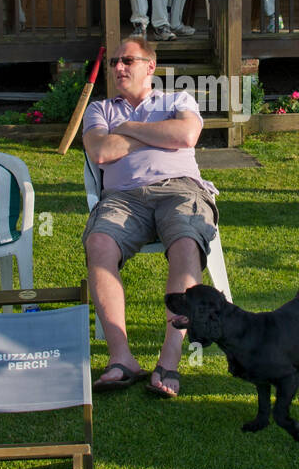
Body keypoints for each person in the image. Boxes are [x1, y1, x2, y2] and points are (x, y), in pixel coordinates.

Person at [82, 38, 219, 398]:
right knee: (99, 243)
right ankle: (122, 357)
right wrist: (160, 136)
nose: (118, 68)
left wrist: (127, 128)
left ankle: (169, 359)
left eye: (127, 60)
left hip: (181, 190)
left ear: (150, 66)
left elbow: (186, 134)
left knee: (186, 242)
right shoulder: (99, 109)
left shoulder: (177, 101)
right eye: (114, 62)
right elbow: (99, 151)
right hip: (123, 198)